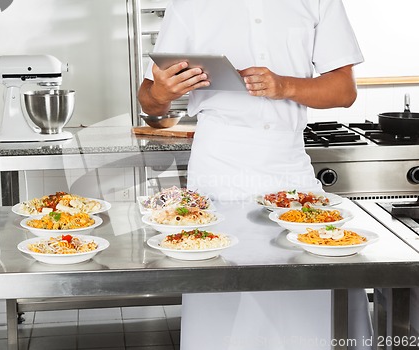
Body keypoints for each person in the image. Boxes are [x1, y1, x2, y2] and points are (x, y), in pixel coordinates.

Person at [138, 1, 370, 349]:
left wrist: (285, 86)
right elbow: (149, 101)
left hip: (287, 165)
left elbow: (344, 90)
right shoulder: (189, 4)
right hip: (218, 167)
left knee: (310, 285)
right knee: (219, 298)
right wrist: (161, 93)